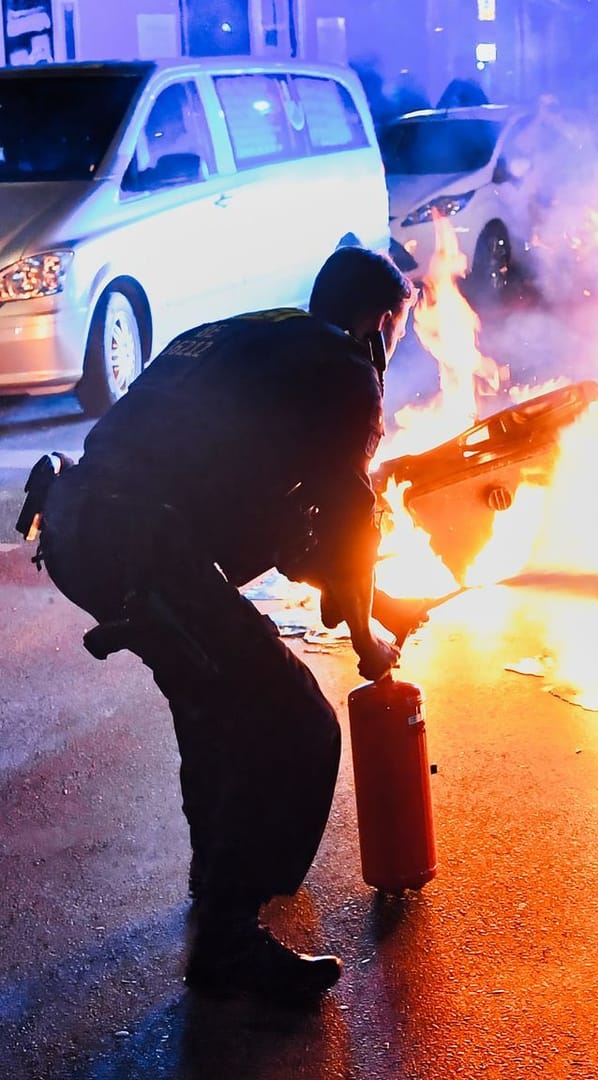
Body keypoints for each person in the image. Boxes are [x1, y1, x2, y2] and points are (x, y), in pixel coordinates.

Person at [28, 248, 419, 1005]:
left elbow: (275, 520)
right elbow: (348, 521)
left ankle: (219, 882)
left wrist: (367, 599)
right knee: (296, 721)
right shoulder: (345, 368)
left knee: (212, 702)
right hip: (142, 542)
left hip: (81, 525)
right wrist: (369, 640)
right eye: (396, 334)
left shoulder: (255, 339)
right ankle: (229, 941)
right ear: (380, 323)